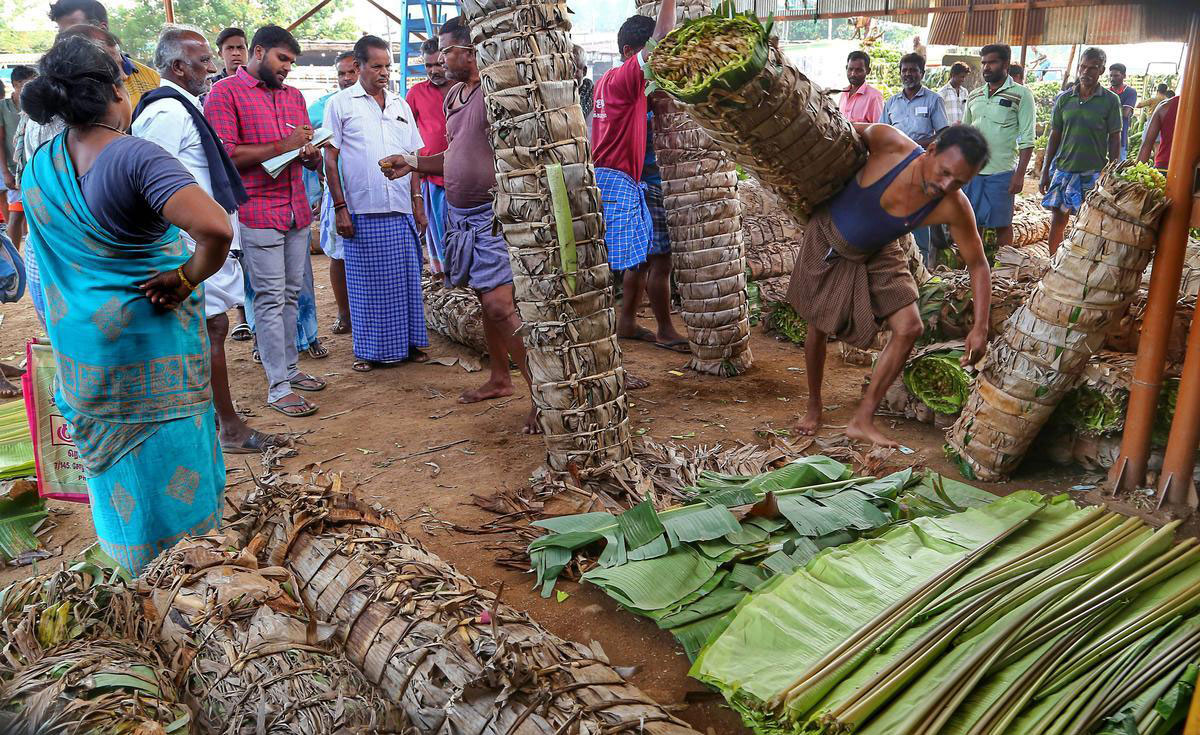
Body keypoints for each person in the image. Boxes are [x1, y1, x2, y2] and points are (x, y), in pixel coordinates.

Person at [20, 35, 233, 573]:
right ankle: (190, 581)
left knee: (118, 486)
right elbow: (215, 228)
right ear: (117, 89)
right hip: (150, 350)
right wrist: (185, 278)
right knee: (173, 471)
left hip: (86, 360)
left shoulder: (43, 163)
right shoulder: (136, 156)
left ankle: (130, 574)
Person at [379, 16, 538, 433]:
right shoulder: (454, 96)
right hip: (460, 217)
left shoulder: (495, 92)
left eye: (446, 50)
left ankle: (541, 394)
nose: (438, 58)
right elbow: (453, 154)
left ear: (470, 50)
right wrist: (412, 162)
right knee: (486, 298)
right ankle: (500, 379)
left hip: (493, 216)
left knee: (500, 305)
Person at [788, 124, 991, 447]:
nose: (946, 185)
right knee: (818, 327)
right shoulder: (889, 143)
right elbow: (829, 134)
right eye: (944, 173)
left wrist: (980, 326)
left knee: (909, 327)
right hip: (830, 237)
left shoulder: (954, 205)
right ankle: (814, 403)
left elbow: (978, 264)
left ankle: (862, 419)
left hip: (880, 248)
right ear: (932, 150)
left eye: (959, 182)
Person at [132, 26, 279, 455]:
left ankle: (216, 421)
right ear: (177, 66)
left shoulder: (183, 106)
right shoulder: (166, 113)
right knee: (212, 326)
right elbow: (150, 184)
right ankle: (228, 428)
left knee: (212, 325)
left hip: (201, 240)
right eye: (203, 61)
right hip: (189, 241)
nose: (213, 66)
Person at [205, 25, 328, 417]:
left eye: (291, 61)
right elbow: (224, 156)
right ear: (258, 52)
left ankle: (290, 369)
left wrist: (308, 154)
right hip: (258, 211)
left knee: (292, 294)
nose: (288, 68)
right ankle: (278, 387)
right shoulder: (225, 93)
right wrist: (283, 146)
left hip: (295, 208)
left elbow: (298, 149)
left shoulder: (294, 96)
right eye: (282, 59)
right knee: (271, 298)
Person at [324, 35, 428, 372]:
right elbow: (330, 160)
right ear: (358, 66)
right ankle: (369, 351)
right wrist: (340, 208)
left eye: (388, 66)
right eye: (377, 66)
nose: (384, 73)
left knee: (406, 280)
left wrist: (417, 202)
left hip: (400, 208)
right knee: (366, 285)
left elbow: (414, 158)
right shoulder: (340, 104)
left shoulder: (400, 104)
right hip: (360, 209)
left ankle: (410, 344)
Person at [592, 7, 688, 355]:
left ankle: (628, 320)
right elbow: (660, 39)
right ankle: (664, 329)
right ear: (632, 53)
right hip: (631, 178)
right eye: (651, 54)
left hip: (617, 176)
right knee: (660, 259)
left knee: (640, 258)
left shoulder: (606, 81)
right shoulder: (623, 79)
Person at [1040, 47, 1122, 254]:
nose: (1086, 72)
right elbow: (1054, 136)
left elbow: (1115, 138)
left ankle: (1082, 266)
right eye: (1083, 67)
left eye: (1093, 68)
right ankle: (1053, 262)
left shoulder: (1111, 101)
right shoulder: (1065, 99)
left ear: (1101, 70)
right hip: (1064, 169)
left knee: (1089, 222)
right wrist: (1045, 171)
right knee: (1058, 218)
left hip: (1093, 171)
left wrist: (1112, 172)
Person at [962, 43, 1035, 250]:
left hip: (1002, 172)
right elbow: (965, 136)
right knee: (973, 224)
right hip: (974, 173)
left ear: (1005, 64)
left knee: (1003, 225)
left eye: (992, 62)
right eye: (984, 62)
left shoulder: (1021, 95)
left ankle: (1004, 272)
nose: (986, 67)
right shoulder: (974, 95)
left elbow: (1028, 139)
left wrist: (1019, 175)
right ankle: (973, 269)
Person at [883, 52, 948, 264]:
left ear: (922, 73)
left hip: (923, 168)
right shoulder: (891, 103)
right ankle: (899, 262)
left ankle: (924, 265)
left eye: (913, 70)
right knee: (896, 214)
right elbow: (883, 132)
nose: (908, 74)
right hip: (896, 169)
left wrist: (916, 146)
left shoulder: (933, 100)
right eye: (904, 70)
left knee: (921, 216)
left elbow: (943, 133)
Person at [310, 50, 358, 335]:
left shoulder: (384, 103)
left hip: (369, 193)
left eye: (351, 72)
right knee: (338, 255)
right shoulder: (324, 106)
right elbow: (311, 148)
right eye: (341, 73)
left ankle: (367, 311)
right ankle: (344, 313)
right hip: (337, 190)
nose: (347, 78)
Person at [47, 0, 159, 107]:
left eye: (74, 32)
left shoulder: (153, 78)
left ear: (101, 29)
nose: (66, 41)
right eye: (62, 35)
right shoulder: (65, 87)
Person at [406, 38, 450, 277]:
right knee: (437, 230)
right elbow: (406, 138)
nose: (433, 70)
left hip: (461, 176)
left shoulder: (463, 89)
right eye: (428, 66)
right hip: (431, 178)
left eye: (438, 64)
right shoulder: (416, 93)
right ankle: (444, 279)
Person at [0, 68, 35, 251]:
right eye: (25, 85)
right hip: (16, 170)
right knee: (16, 215)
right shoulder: (3, 107)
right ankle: (14, 257)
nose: (31, 88)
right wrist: (5, 172)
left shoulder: (35, 104)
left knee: (35, 215)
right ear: (14, 85)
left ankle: (33, 254)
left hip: (35, 167)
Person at [840, 50, 884, 124]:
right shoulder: (843, 93)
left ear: (868, 71)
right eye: (850, 69)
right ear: (846, 68)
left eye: (858, 70)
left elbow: (879, 128)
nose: (853, 74)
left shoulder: (875, 96)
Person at [1138, 94, 1179, 172]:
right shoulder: (1164, 105)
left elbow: (1147, 144)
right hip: (1166, 167)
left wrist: (1137, 173)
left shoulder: (1165, 106)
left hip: (1164, 167)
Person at [1108, 63, 1138, 159]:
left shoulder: (1130, 92)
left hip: (1120, 138)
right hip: (1103, 138)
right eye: (1111, 75)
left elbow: (1125, 113)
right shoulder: (1106, 92)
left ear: (1124, 76)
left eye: (1116, 75)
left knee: (1118, 169)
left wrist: (1107, 110)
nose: (1112, 78)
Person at [938, 61, 970, 126]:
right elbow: (939, 115)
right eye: (961, 77)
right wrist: (951, 125)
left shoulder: (965, 92)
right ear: (953, 75)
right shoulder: (943, 92)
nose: (963, 80)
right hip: (948, 132)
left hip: (963, 131)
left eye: (964, 77)